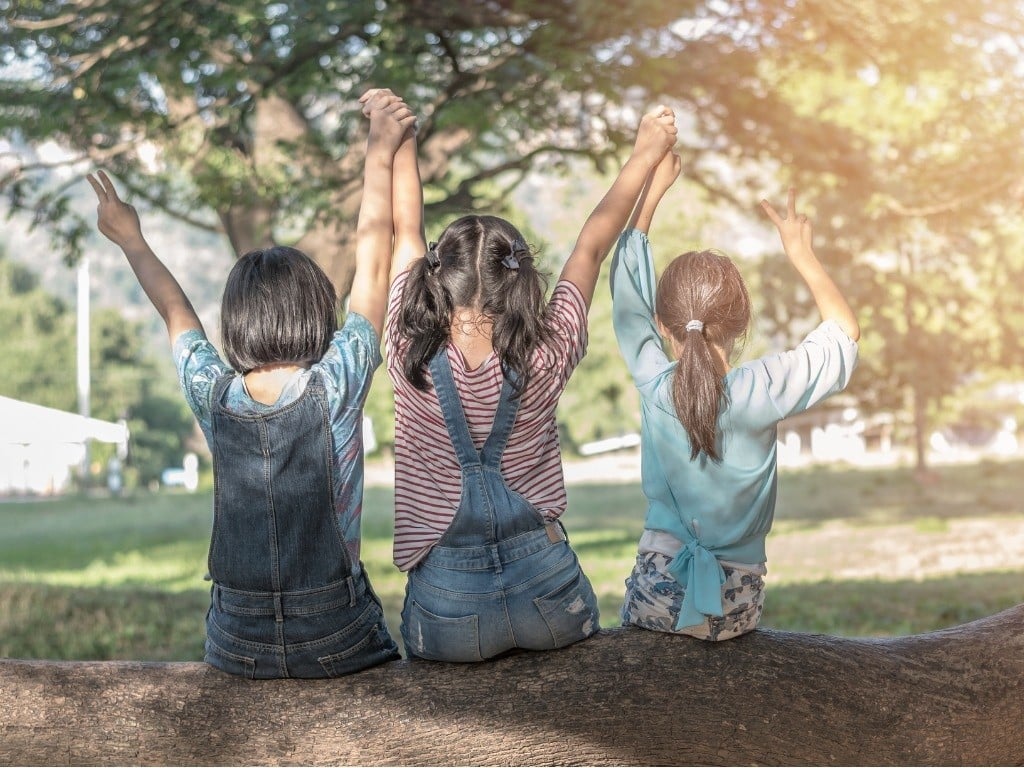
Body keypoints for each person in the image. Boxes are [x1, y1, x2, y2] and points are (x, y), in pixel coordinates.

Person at [85, 90, 416, 678]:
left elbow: (175, 312)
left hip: (237, 641)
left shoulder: (215, 397)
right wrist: (379, 148)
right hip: (334, 632)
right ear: (317, 313)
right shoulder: (337, 383)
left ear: (237, 322)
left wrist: (131, 239)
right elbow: (373, 257)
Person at [374, 87, 678, 661]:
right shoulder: (547, 351)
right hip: (550, 598)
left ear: (437, 278)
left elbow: (405, 229)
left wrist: (403, 142)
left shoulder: (405, 345)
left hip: (448, 608)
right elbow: (590, 248)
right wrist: (644, 153)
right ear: (520, 279)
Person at [611, 153, 860, 641]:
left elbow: (626, 299)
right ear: (741, 325)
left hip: (657, 594)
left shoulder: (654, 382)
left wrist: (650, 196)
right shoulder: (763, 388)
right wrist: (802, 256)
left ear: (664, 326)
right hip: (737, 607)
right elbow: (844, 335)